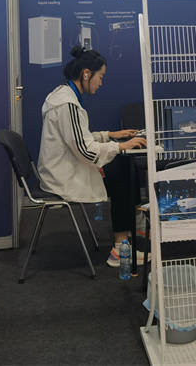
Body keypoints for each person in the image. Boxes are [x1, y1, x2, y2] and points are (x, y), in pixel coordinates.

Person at [36, 45, 146, 268]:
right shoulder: (67, 104)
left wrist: (110, 135)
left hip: (62, 166)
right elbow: (85, 150)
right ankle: (121, 247)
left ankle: (135, 226)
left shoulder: (62, 96)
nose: (101, 83)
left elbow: (76, 139)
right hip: (62, 176)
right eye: (100, 77)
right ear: (86, 74)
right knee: (122, 174)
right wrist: (120, 146)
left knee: (122, 167)